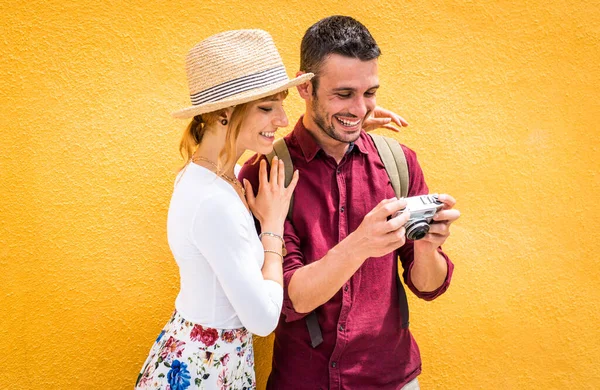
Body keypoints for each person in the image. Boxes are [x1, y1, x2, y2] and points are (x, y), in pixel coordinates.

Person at [238, 16, 461, 390]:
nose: (360, 109)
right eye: (344, 94)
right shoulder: (266, 174)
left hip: (393, 378)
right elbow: (289, 299)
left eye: (369, 93)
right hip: (306, 380)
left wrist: (427, 247)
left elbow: (427, 286)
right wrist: (361, 243)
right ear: (305, 87)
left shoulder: (398, 162)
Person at [134, 29, 312, 389]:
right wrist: (272, 228)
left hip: (206, 357)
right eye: (267, 107)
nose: (282, 119)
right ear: (223, 115)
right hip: (206, 370)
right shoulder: (214, 200)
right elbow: (263, 320)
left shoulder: (209, 176)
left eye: (281, 103)